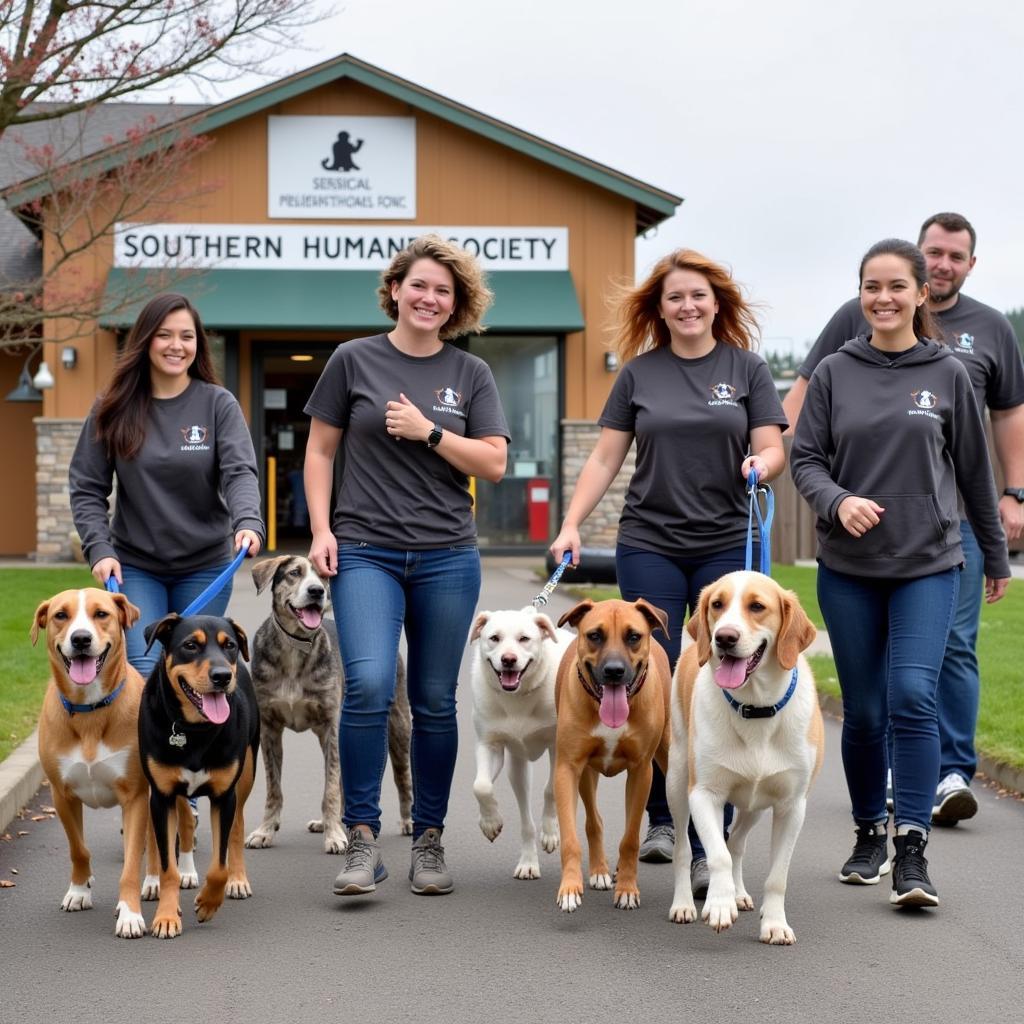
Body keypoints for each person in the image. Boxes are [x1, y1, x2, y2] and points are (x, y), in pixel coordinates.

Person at [549, 248, 787, 892]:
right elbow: (604, 459)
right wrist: (571, 523)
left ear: (717, 304)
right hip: (650, 538)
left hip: (723, 545)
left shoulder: (746, 369)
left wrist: (761, 465)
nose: (688, 306)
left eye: (699, 296)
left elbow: (771, 444)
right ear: (660, 307)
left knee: (720, 671)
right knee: (650, 663)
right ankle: (661, 818)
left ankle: (715, 835)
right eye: (675, 297)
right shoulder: (638, 374)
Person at [783, 213, 1024, 825]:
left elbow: (975, 471)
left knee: (920, 686)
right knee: (864, 710)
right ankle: (869, 831)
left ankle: (919, 828)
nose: (883, 298)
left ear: (921, 295)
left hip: (931, 555)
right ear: (860, 293)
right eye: (872, 287)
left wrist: (996, 554)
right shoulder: (839, 366)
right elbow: (805, 454)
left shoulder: (949, 369)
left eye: (896, 287)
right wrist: (836, 500)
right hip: (850, 562)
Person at [304, 234, 509, 898]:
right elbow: (319, 451)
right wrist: (320, 529)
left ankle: (427, 837)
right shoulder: (352, 360)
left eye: (443, 291)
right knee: (366, 684)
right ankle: (363, 839)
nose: (429, 298)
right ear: (395, 289)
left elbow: (494, 463)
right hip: (365, 549)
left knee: (432, 702)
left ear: (457, 305)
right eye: (418, 285)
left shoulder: (470, 374)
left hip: (448, 554)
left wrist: (431, 432)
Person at [70, 293, 264, 677]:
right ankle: (149, 740)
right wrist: (99, 548)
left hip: (206, 566)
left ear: (198, 344)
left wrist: (247, 521)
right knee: (142, 666)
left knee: (196, 669)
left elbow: (239, 471)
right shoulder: (111, 406)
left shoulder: (217, 404)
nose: (177, 345)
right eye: (165, 335)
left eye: (187, 336)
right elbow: (87, 486)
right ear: (145, 341)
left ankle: (189, 740)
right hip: (135, 566)